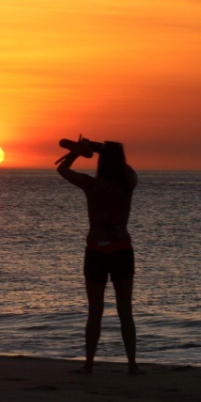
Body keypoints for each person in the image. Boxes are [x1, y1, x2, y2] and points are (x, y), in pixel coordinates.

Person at [56, 136, 140, 374]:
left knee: (95, 311)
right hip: (122, 249)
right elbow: (129, 170)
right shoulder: (128, 183)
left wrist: (78, 151)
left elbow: (62, 169)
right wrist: (104, 151)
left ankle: (90, 364)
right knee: (125, 310)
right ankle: (132, 365)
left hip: (96, 251)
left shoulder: (91, 185)